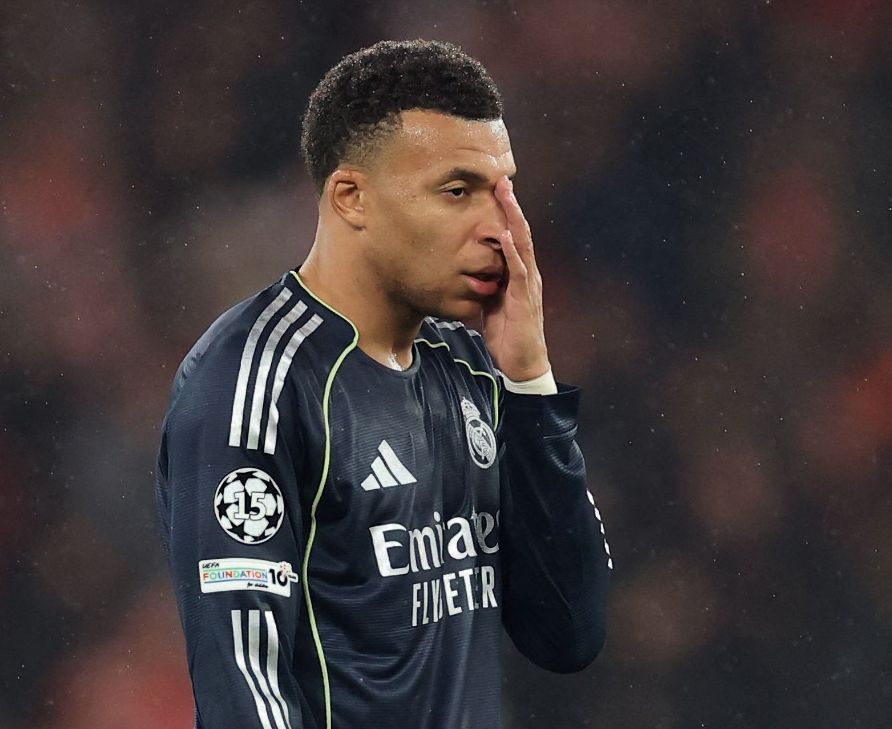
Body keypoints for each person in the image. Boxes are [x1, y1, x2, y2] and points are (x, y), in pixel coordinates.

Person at [154, 39, 612, 729]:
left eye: (503, 191)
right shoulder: (255, 382)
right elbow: (244, 679)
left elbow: (570, 632)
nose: (499, 229)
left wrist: (529, 383)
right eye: (458, 191)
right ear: (352, 198)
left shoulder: (473, 366)